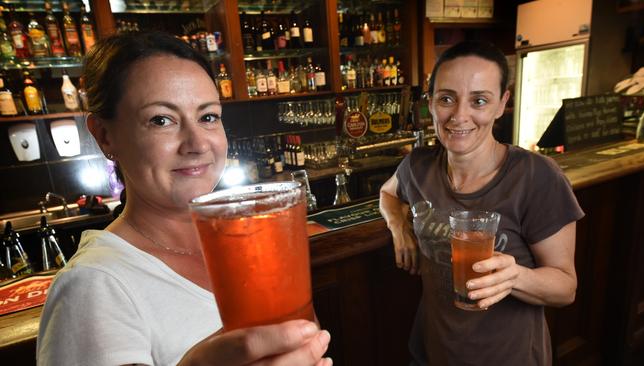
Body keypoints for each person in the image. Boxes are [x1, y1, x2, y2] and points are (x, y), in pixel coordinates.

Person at [37, 32, 332, 366]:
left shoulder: (250, 242)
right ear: (105, 135)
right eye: (161, 120)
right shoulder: (94, 285)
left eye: (208, 117)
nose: (196, 143)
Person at [379, 41, 584, 365]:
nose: (460, 116)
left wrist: (515, 276)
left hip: (508, 357)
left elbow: (565, 287)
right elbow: (388, 193)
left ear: (502, 103)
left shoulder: (536, 177)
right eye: (447, 98)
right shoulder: (417, 167)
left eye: (479, 100)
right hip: (432, 351)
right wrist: (399, 227)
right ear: (430, 102)